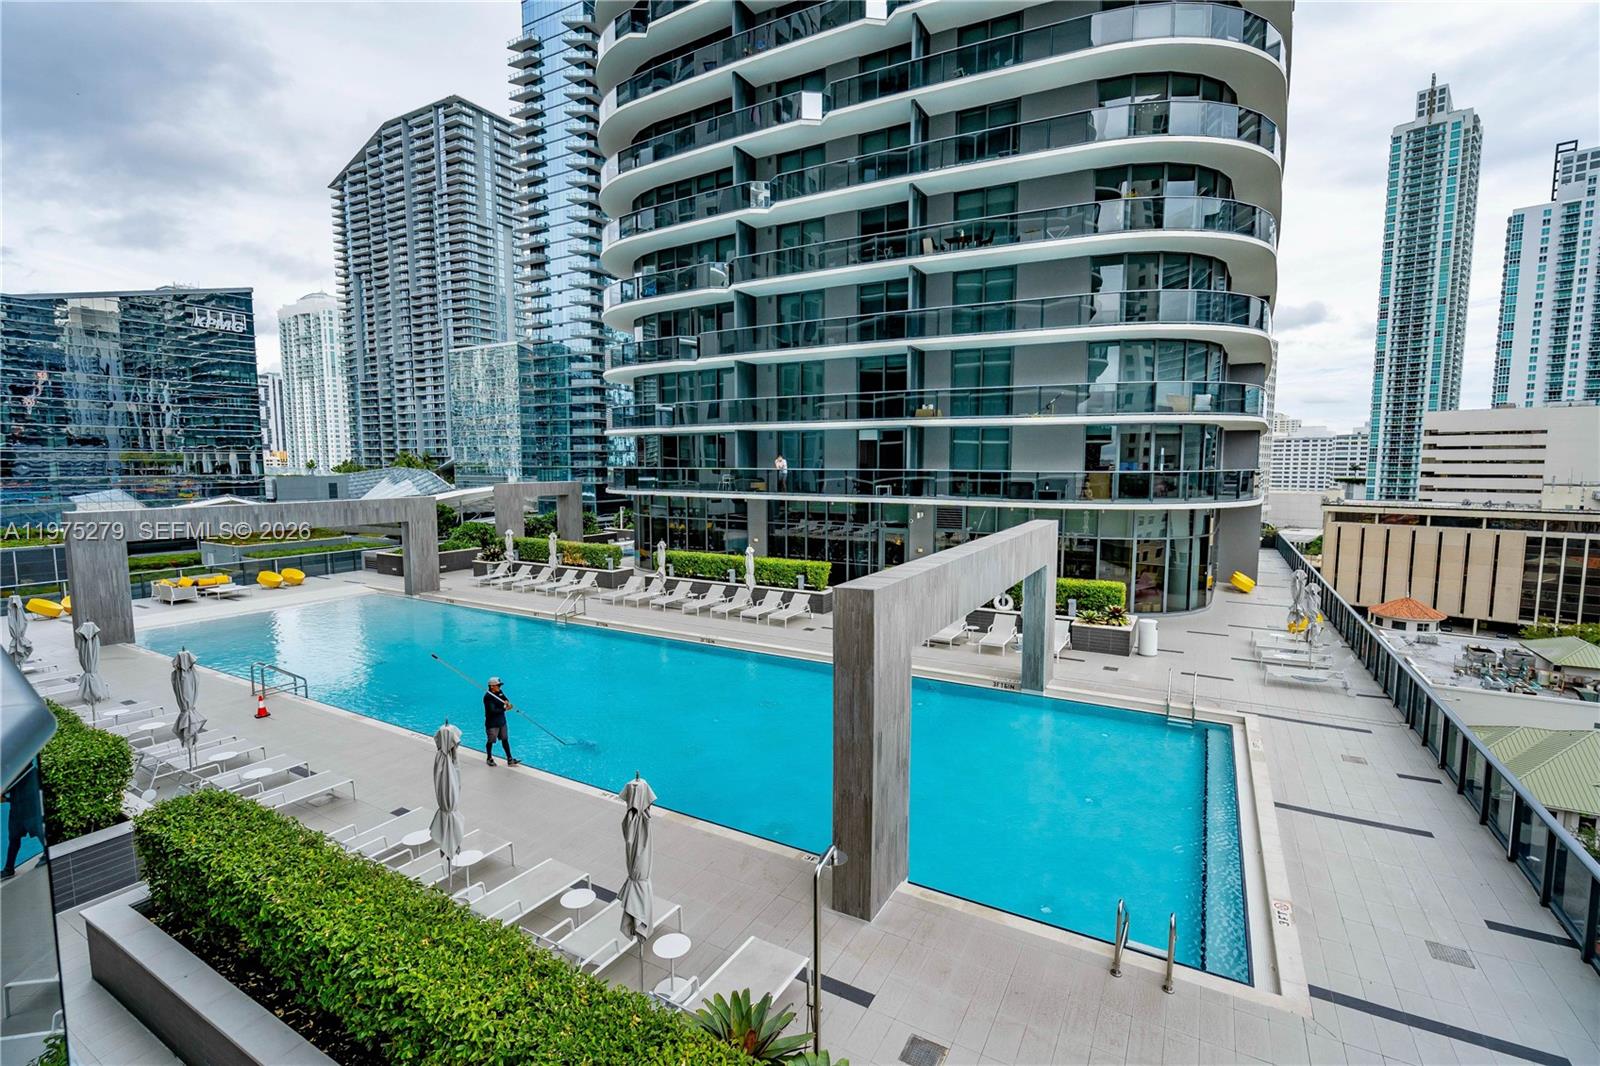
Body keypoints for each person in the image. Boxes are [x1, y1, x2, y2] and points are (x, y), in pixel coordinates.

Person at [2, 762, 46, 880]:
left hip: (29, 810)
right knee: (13, 839)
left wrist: (6, 798)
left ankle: (47, 853)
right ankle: (8, 868)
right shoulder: (15, 774)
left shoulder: (30, 773)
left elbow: (29, 795)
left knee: (38, 832)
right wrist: (6, 798)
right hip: (17, 811)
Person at [483, 677, 521, 767]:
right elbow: (492, 711)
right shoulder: (488, 697)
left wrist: (507, 702)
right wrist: (505, 708)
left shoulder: (499, 692)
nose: (500, 687)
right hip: (492, 723)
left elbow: (504, 698)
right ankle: (489, 758)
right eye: (498, 685)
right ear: (492, 686)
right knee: (491, 741)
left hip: (501, 721)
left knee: (505, 739)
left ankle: (510, 758)